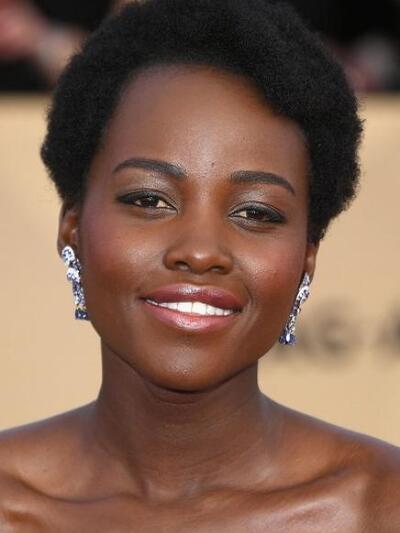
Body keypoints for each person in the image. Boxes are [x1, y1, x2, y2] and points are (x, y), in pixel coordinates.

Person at [0, 0, 399, 529]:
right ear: (72, 226)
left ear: (307, 257)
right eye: (149, 200)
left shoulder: (380, 507)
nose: (200, 251)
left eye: (256, 212)